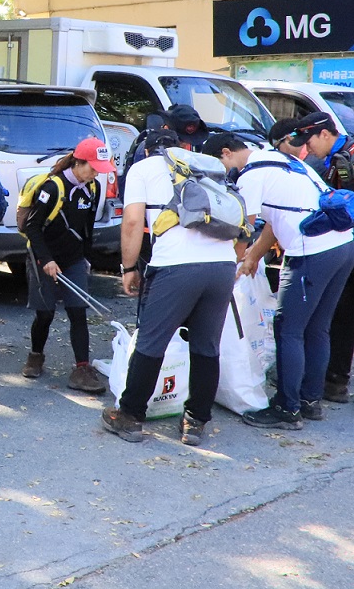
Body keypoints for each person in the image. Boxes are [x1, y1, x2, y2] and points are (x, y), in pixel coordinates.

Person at [203, 132, 354, 429]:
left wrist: (229, 261)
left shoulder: (250, 176)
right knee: (317, 327)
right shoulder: (281, 160)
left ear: (226, 153)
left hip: (312, 252)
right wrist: (252, 258)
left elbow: (244, 227)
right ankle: (310, 401)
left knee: (288, 329)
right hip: (344, 245)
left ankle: (287, 408)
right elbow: (273, 222)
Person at [102, 132, 237, 447]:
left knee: (151, 342)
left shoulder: (144, 168)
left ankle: (129, 417)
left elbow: (133, 223)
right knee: (206, 346)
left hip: (176, 267)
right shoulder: (204, 164)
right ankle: (196, 421)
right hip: (222, 265)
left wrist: (129, 267)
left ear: (147, 149)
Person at [20, 138, 114, 393]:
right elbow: (32, 227)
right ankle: (36, 355)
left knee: (78, 311)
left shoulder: (91, 187)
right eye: (92, 167)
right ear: (78, 162)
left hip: (73, 259)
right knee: (45, 313)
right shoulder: (52, 188)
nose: (96, 173)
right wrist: (46, 260)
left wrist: (86, 258)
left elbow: (87, 227)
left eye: (99, 169)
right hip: (44, 257)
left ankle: (82, 368)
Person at [289, 112, 354, 403]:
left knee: (343, 313)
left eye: (310, 141)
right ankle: (332, 378)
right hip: (343, 243)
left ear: (325, 134)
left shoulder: (347, 157)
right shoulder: (335, 156)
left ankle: (336, 379)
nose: (307, 148)